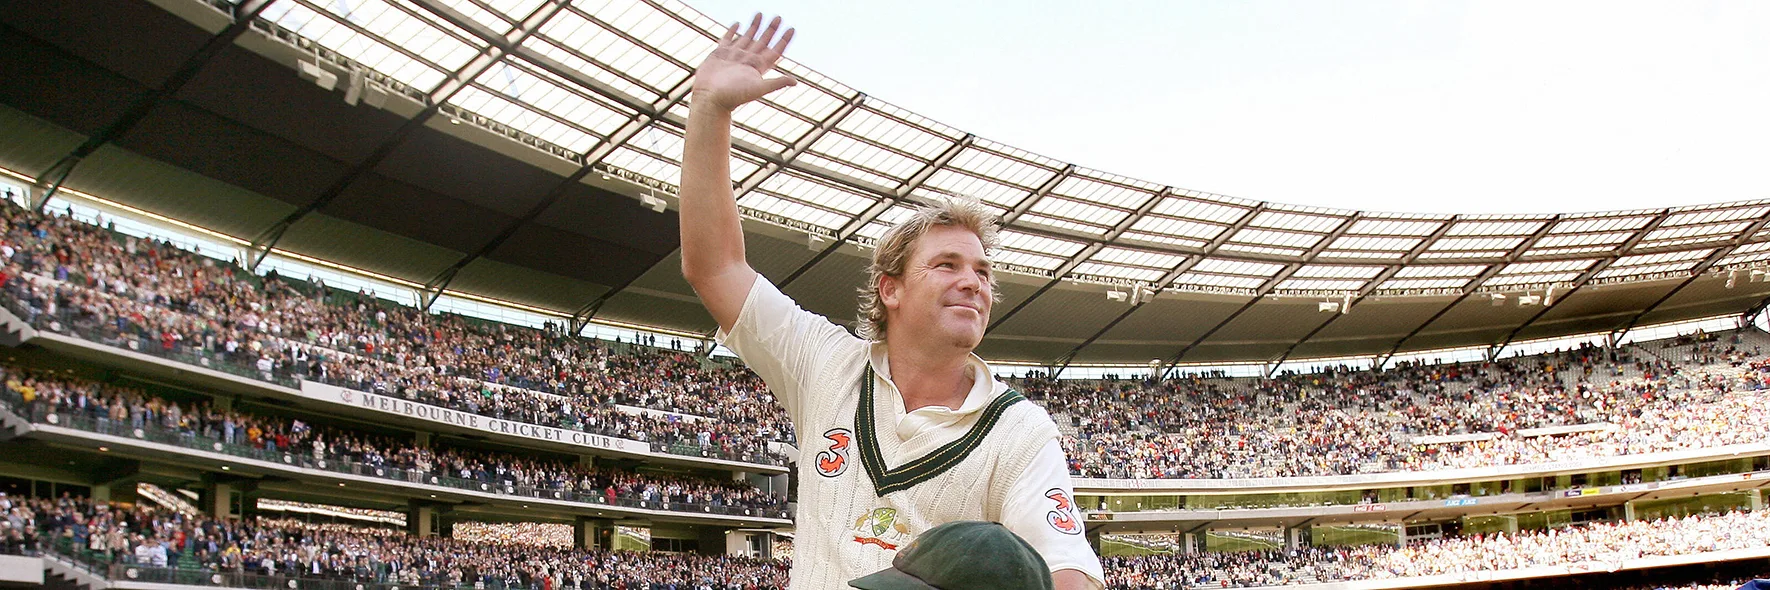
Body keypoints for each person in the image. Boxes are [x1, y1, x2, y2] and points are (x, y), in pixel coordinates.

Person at [679, 13, 1104, 590]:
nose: (973, 281)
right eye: (947, 265)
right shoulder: (825, 365)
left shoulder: (1019, 431)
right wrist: (708, 109)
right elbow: (715, 267)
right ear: (891, 288)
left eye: (982, 271)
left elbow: (1069, 571)